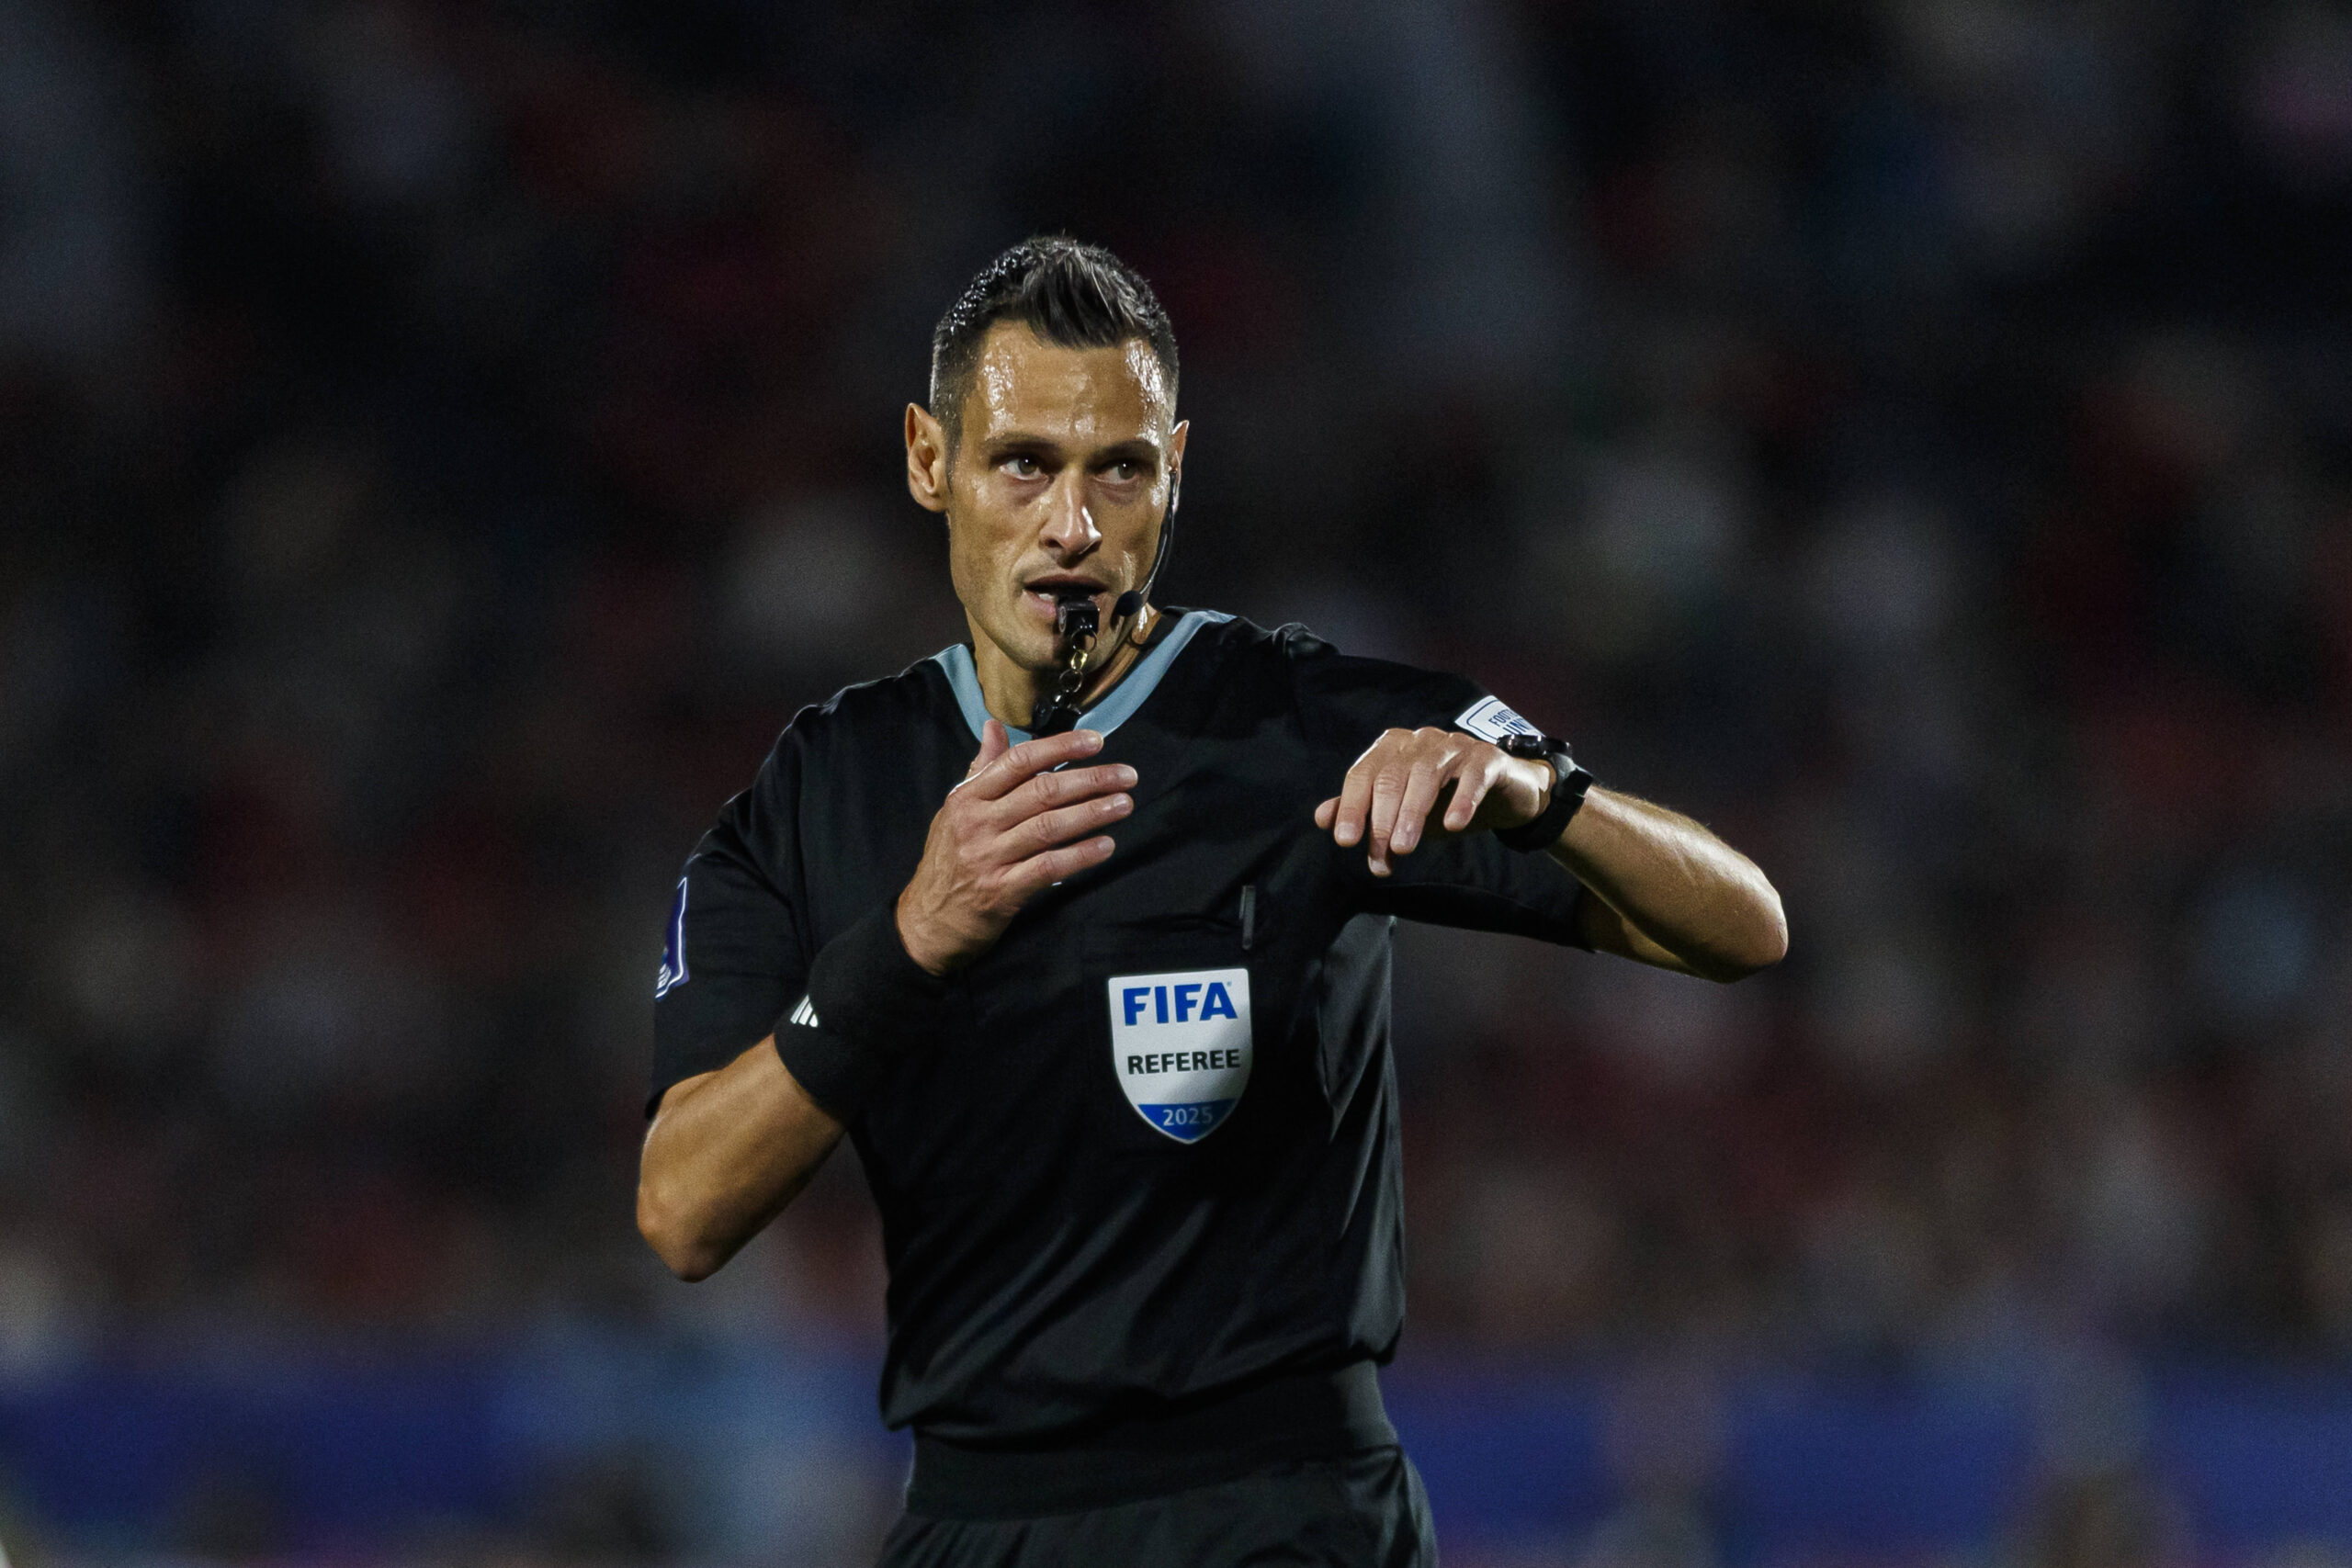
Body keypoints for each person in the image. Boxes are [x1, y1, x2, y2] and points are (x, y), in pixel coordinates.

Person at [637, 236, 1786, 1567]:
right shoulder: (821, 795)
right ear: (927, 460)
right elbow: (681, 1211)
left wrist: (1548, 797)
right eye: (1025, 464)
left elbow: (1745, 926)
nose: (1073, 524)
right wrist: (908, 943)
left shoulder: (1307, 732)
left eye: (1118, 469)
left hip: (1279, 1514)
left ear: (1173, 471)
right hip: (977, 1525)